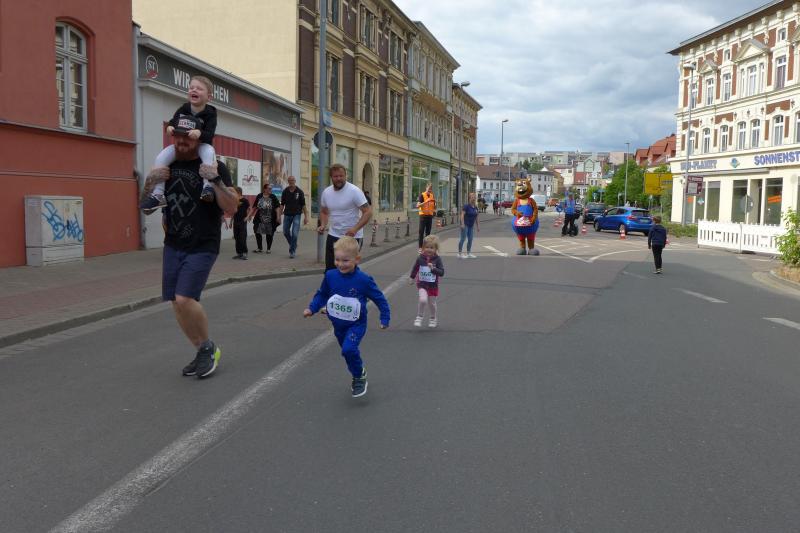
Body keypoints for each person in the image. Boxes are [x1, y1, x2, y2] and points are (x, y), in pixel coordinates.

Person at [139, 124, 237, 378]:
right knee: (175, 302)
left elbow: (232, 207)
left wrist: (215, 179)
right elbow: (146, 208)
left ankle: (208, 347)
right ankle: (202, 349)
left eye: (187, 137)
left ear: (198, 138)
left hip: (203, 243)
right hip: (173, 244)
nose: (181, 141)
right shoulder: (167, 165)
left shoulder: (215, 165)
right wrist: (150, 182)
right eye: (177, 136)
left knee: (185, 298)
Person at [303, 237, 390, 397]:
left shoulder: (363, 280)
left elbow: (379, 298)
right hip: (338, 325)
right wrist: (312, 308)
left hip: (356, 324)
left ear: (357, 259)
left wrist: (385, 318)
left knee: (348, 349)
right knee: (347, 352)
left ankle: (359, 377)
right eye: (337, 260)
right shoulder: (330, 276)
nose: (340, 264)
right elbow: (322, 294)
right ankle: (358, 372)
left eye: (345, 260)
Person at [140, 76, 219, 212]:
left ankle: (207, 187)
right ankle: (158, 194)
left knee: (209, 152)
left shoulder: (210, 113)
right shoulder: (184, 108)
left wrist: (199, 133)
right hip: (182, 149)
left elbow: (210, 134)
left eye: (199, 89)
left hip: (201, 145)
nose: (194, 90)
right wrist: (169, 127)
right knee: (161, 157)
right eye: (191, 87)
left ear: (209, 97)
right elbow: (172, 122)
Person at [318, 163, 372, 271]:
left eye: (341, 176)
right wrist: (323, 225)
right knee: (330, 270)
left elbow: (368, 212)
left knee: (348, 270)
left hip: (352, 237)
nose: (339, 178)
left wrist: (355, 229)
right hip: (333, 235)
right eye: (335, 176)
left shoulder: (354, 191)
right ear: (331, 177)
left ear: (345, 175)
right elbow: (324, 212)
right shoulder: (326, 192)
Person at [409, 234, 445, 328]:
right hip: (422, 284)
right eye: (427, 247)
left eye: (431, 248)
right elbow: (415, 268)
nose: (429, 249)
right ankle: (419, 316)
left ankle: (433, 318)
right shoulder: (420, 258)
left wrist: (433, 269)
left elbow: (441, 272)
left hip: (433, 285)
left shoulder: (437, 259)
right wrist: (412, 277)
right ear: (423, 247)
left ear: (436, 248)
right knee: (423, 300)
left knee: (432, 303)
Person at [280, 175, 308, 258]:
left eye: (292, 180)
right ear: (288, 182)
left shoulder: (299, 192)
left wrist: (306, 217)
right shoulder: (285, 191)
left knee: (295, 234)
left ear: (295, 181)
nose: (291, 182)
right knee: (285, 232)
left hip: (297, 215)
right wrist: (278, 215)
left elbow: (303, 205)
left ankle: (292, 251)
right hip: (287, 214)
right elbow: (282, 204)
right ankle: (294, 244)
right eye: (290, 180)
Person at [249, 183, 281, 253]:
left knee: (269, 233)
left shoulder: (273, 197)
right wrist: (249, 215)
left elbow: (277, 208)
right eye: (269, 188)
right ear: (265, 189)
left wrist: (278, 216)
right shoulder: (259, 196)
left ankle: (268, 249)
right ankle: (259, 248)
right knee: (257, 231)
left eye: (271, 189)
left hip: (270, 218)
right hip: (259, 217)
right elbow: (255, 207)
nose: (270, 190)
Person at [458, 192, 480, 258]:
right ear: (469, 198)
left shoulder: (475, 207)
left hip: (471, 226)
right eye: (472, 197)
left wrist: (478, 226)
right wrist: (462, 224)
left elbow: (476, 217)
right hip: (465, 225)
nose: (474, 199)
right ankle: (459, 253)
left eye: (474, 197)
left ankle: (468, 253)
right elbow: (462, 215)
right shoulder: (466, 206)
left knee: (470, 239)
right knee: (463, 239)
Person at [417, 183, 436, 252]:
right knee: (421, 232)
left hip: (430, 216)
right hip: (423, 216)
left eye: (431, 189)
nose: (430, 190)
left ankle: (426, 247)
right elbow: (418, 205)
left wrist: (434, 210)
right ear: (426, 188)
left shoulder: (432, 195)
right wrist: (426, 201)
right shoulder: (422, 195)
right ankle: (420, 247)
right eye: (429, 188)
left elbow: (434, 205)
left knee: (428, 233)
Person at [232, 186, 250, 260]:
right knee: (236, 237)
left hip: (242, 221)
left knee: (242, 237)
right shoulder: (234, 200)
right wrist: (231, 222)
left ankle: (245, 253)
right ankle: (239, 253)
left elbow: (249, 209)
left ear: (238, 192)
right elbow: (233, 211)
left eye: (234, 192)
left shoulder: (245, 200)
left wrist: (247, 217)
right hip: (235, 221)